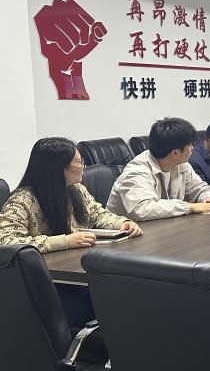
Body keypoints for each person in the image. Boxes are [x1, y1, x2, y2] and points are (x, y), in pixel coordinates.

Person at [0, 137, 142, 331]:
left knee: (125, 291)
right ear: (60, 168)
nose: (84, 166)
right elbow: (6, 242)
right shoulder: (22, 200)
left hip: (75, 271)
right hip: (47, 285)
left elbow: (99, 215)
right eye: (79, 162)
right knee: (117, 298)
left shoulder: (76, 190)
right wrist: (64, 241)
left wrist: (123, 223)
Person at [108, 117, 210, 220]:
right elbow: (142, 209)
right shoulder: (137, 170)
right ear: (175, 153)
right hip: (125, 236)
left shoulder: (181, 164)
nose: (193, 148)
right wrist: (189, 207)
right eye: (190, 145)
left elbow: (199, 189)